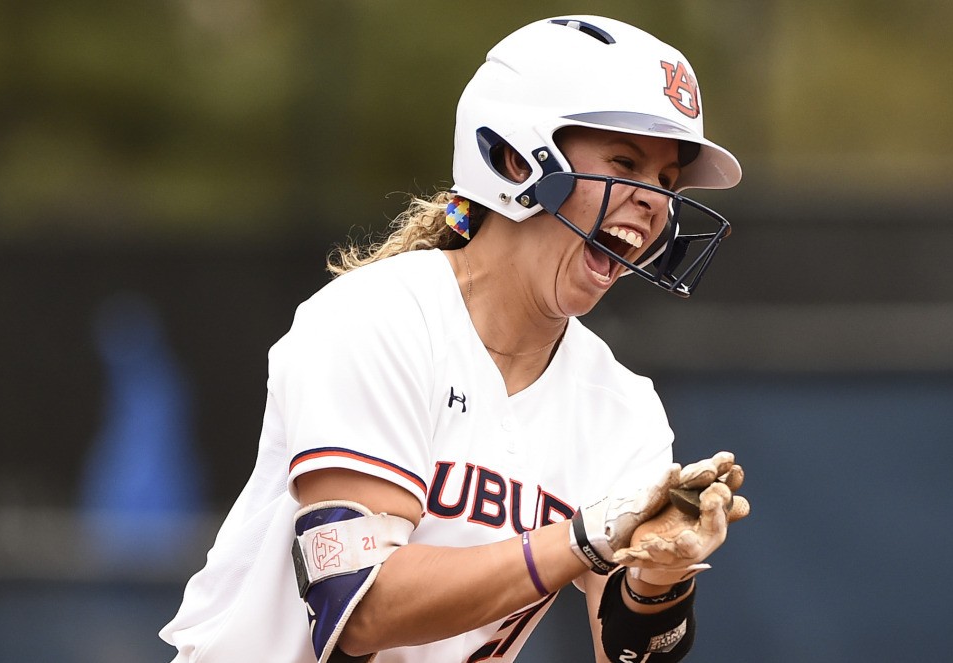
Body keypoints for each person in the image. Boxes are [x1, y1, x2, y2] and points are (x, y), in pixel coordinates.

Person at [161, 14, 750, 663]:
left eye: (666, 181)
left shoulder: (621, 405)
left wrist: (657, 582)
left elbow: (630, 652)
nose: (654, 201)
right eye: (626, 162)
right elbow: (357, 608)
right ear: (514, 157)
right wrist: (583, 538)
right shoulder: (381, 315)